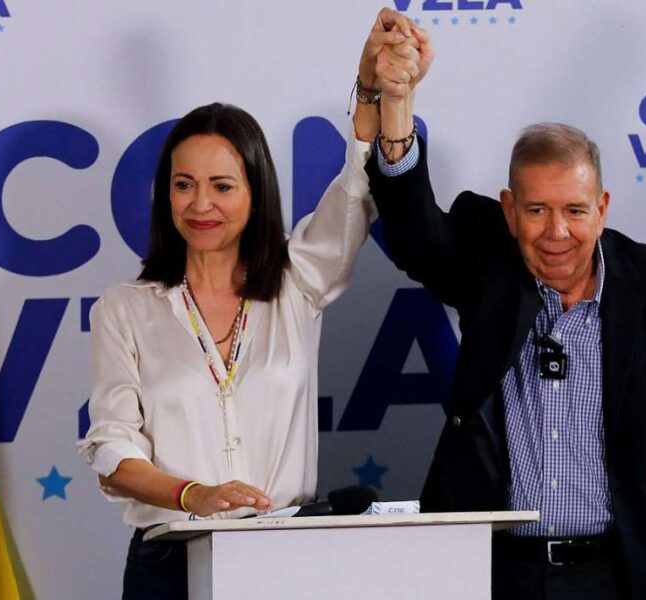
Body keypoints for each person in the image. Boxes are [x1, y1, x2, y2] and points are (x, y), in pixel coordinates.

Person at [365, 13, 646, 599]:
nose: (557, 232)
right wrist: (397, 105)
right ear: (509, 211)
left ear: (602, 208)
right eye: (536, 211)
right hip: (494, 575)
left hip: (621, 578)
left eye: (575, 211)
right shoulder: (490, 262)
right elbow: (417, 236)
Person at [78, 11, 420, 599]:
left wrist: (371, 88)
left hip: (282, 557)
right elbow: (112, 449)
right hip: (169, 564)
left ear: (255, 191)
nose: (200, 203)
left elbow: (355, 189)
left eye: (222, 185)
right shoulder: (125, 309)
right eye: (184, 185)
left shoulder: (298, 282)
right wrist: (194, 496)